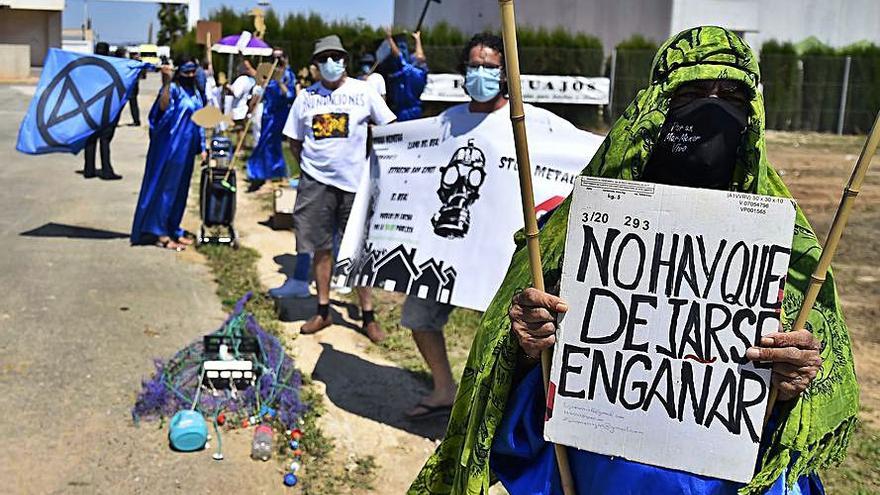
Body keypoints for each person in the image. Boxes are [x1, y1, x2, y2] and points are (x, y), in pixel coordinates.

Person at [409, 26, 859, 495]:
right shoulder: (587, 220)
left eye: (731, 95)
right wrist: (529, 340)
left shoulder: (786, 238)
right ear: (655, 104)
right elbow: (525, 369)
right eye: (691, 93)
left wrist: (799, 370)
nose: (712, 108)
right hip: (597, 474)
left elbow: (817, 366)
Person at [282, 34, 396, 342]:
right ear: (316, 64)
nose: (331, 63)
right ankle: (323, 310)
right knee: (321, 248)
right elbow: (295, 141)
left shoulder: (363, 92)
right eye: (324, 58)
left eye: (337, 57)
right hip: (315, 183)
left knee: (358, 249)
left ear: (345, 60)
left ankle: (368, 313)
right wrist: (313, 168)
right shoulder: (306, 97)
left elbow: (388, 128)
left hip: (356, 183)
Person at [130, 59, 206, 251]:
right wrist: (165, 83)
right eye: (186, 72)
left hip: (188, 149)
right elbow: (161, 110)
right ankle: (160, 233)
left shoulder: (195, 92)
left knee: (181, 191)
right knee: (167, 190)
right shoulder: (173, 90)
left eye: (193, 72)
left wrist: (203, 147)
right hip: (171, 148)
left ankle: (173, 228)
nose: (190, 76)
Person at [246, 53, 295, 189]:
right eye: (274, 58)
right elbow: (259, 87)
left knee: (273, 143)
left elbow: (290, 95)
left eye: (280, 58)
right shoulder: (268, 73)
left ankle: (277, 173)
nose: (277, 61)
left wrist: (279, 82)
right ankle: (264, 173)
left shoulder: (288, 75)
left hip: (279, 114)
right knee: (265, 143)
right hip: (268, 113)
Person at [82, 42, 122, 180]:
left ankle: (89, 170)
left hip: (90, 109)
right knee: (105, 140)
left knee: (90, 139)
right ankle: (106, 170)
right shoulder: (111, 67)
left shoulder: (89, 67)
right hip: (106, 109)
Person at [384, 28, 428, 121]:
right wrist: (417, 39)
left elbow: (398, 56)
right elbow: (419, 55)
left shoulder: (406, 71)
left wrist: (389, 39)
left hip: (403, 112)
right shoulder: (421, 72)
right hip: (417, 110)